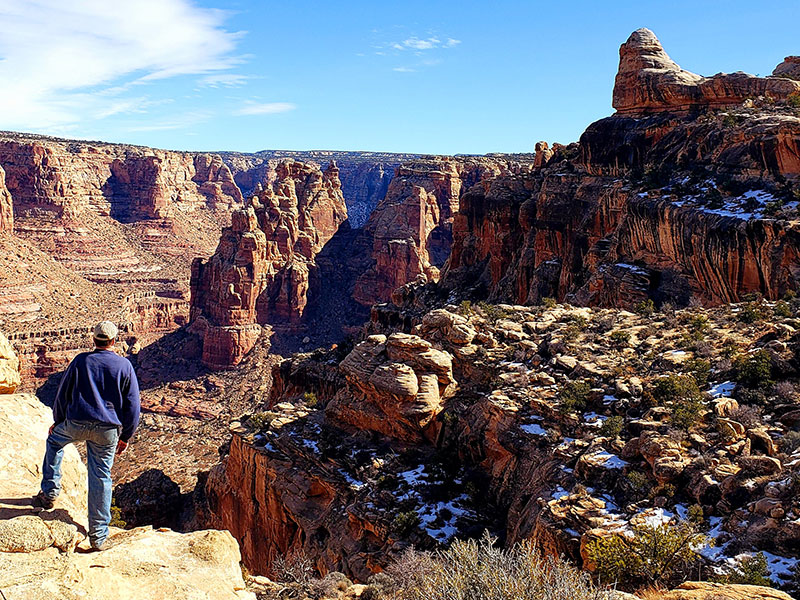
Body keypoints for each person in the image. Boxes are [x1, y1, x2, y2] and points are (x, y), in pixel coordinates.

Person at [34, 320, 140, 551]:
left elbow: (63, 393)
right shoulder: (124, 366)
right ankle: (98, 537)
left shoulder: (81, 361)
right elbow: (133, 406)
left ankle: (50, 493)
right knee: (101, 476)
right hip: (107, 431)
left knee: (54, 442)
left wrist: (58, 421)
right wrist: (126, 436)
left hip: (76, 423)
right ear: (113, 341)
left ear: (94, 340)